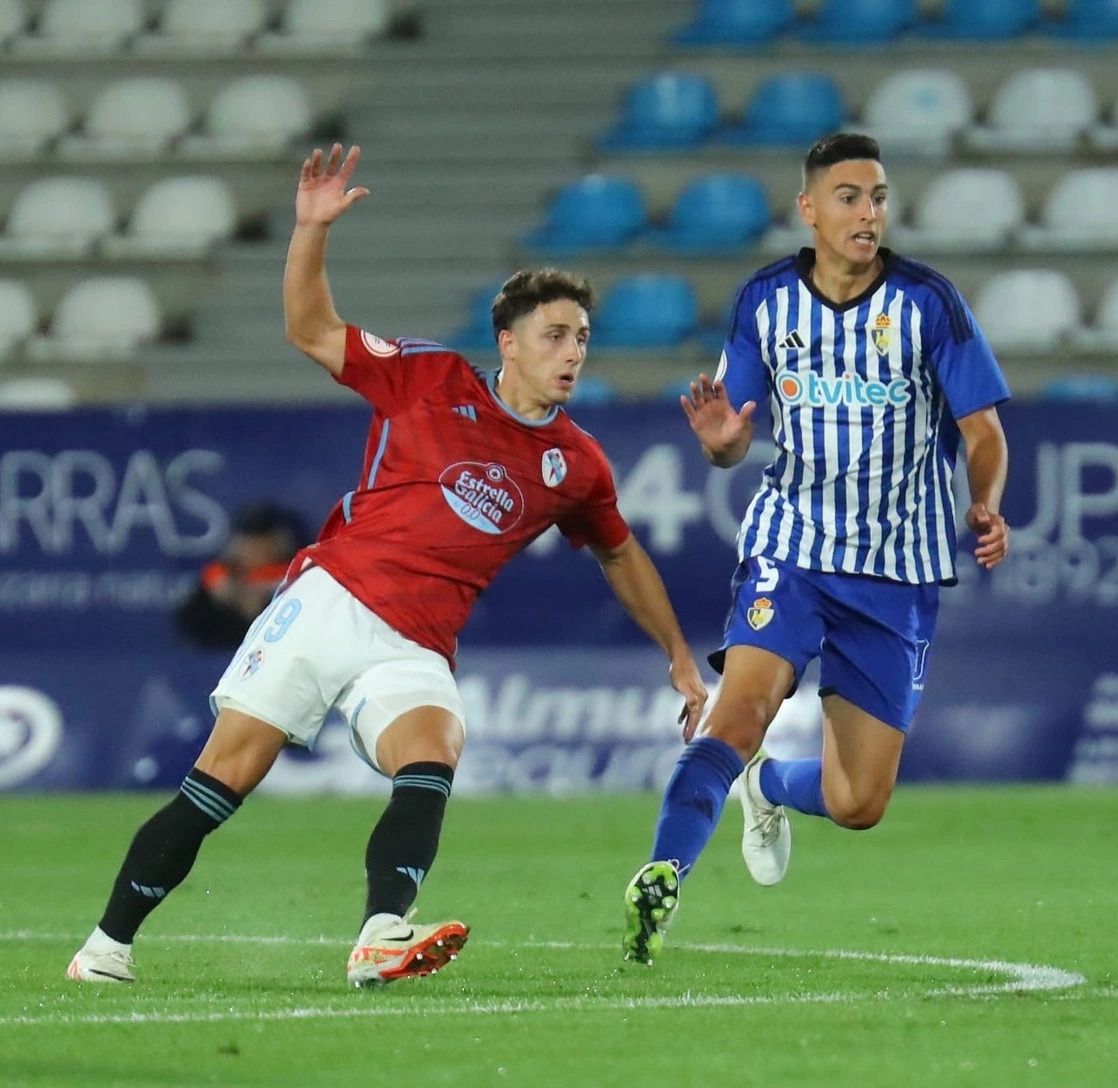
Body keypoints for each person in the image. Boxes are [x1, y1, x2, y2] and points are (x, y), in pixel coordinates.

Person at [67, 144, 708, 987]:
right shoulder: (428, 377)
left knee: (433, 751)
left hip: (418, 643)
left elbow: (620, 555)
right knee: (224, 778)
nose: (573, 352)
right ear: (507, 342)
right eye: (555, 335)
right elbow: (309, 329)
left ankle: (379, 934)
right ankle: (105, 948)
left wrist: (677, 655)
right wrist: (310, 231)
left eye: (582, 337)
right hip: (333, 600)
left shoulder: (577, 463)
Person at [622, 133, 1010, 963]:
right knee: (739, 711)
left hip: (896, 570)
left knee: (858, 799)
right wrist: (723, 442)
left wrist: (985, 502)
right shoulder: (766, 300)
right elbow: (731, 437)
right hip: (792, 547)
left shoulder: (928, 303)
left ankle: (768, 784)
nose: (868, 213)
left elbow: (984, 430)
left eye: (877, 197)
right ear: (809, 209)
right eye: (848, 196)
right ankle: (662, 872)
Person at [175, 501, 309, 649]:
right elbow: (192, 630)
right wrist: (222, 604)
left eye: (263, 539)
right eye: (248, 539)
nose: (253, 547)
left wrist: (260, 609)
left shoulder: (297, 576)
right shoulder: (220, 577)